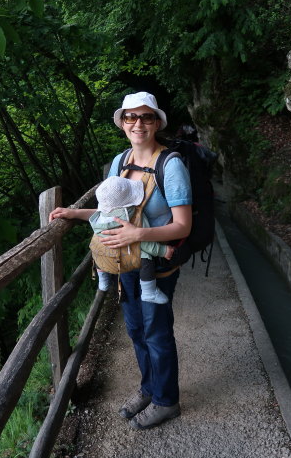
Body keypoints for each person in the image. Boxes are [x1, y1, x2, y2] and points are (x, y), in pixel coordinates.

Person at [49, 91, 192, 430]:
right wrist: (75, 213)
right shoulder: (120, 161)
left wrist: (138, 235)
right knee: (136, 330)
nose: (138, 123)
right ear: (122, 123)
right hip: (123, 263)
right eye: (131, 117)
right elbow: (109, 209)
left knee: (156, 332)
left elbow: (183, 225)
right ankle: (148, 388)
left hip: (156, 265)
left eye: (146, 117)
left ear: (157, 122)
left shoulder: (170, 165)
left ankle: (166, 400)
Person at [89, 175, 174, 304]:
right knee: (147, 258)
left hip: (106, 256)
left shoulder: (98, 217)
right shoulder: (134, 215)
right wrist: (163, 250)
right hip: (128, 254)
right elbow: (143, 241)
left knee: (97, 247)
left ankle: (103, 281)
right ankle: (148, 292)